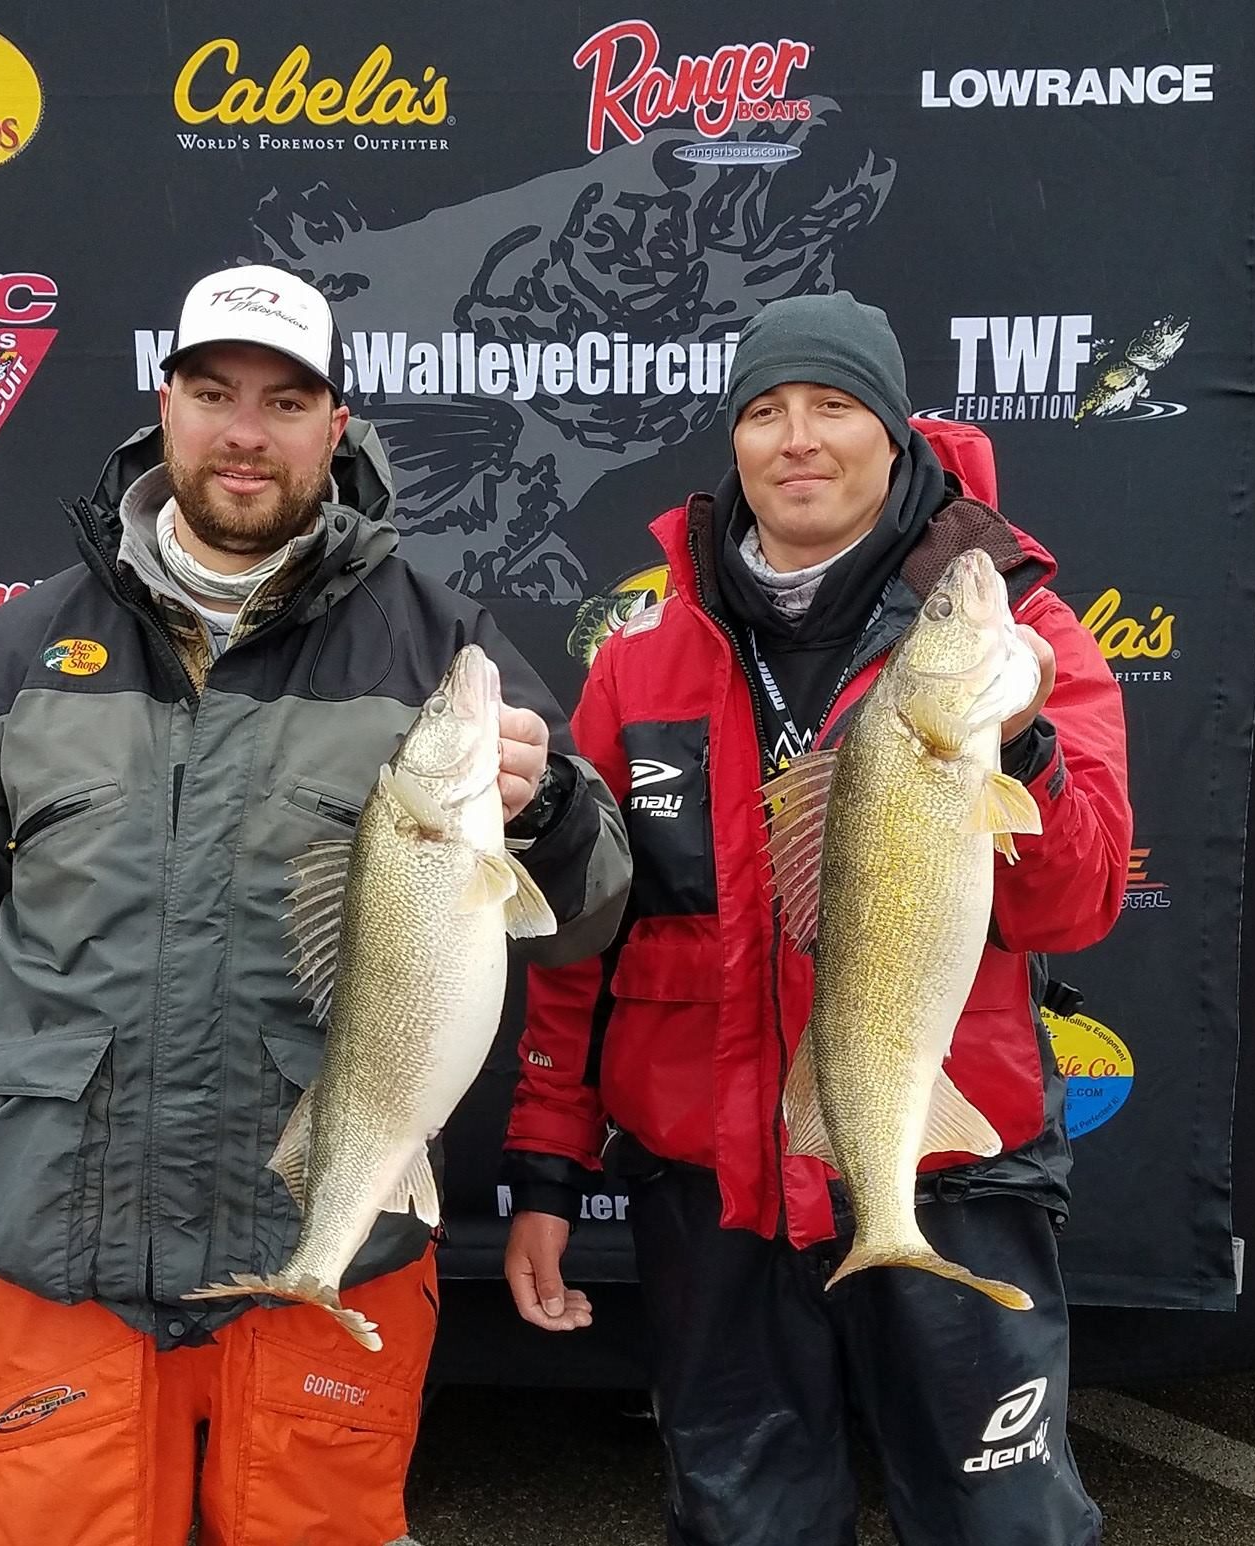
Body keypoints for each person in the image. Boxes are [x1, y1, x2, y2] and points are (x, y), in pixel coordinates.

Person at [0, 264, 630, 1546]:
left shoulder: (438, 647)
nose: (248, 431)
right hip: (57, 1264)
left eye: (287, 400)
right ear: (163, 402)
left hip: (324, 1260)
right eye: (216, 391)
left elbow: (587, 915)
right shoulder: (22, 650)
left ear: (336, 426)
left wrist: (551, 807)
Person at [502, 292, 1130, 1546]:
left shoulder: (1024, 634)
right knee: (747, 1529)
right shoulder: (641, 656)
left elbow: (1082, 898)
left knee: (1003, 1529)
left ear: (894, 435)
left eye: (833, 407)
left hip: (948, 1171)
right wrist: (546, 1165)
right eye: (765, 411)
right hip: (714, 1194)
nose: (798, 438)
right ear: (732, 441)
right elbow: (584, 942)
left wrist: (1030, 746)